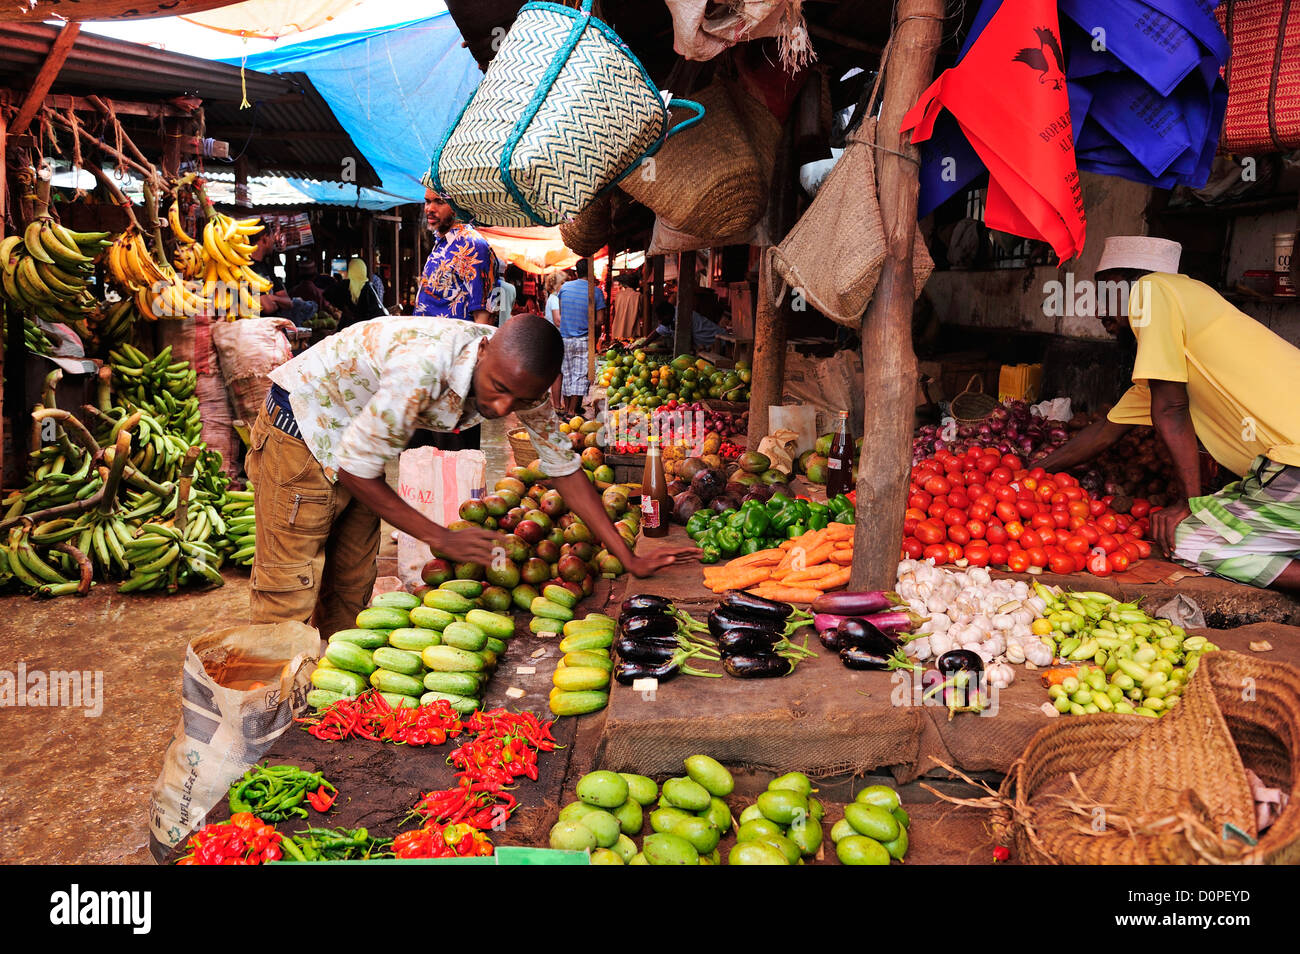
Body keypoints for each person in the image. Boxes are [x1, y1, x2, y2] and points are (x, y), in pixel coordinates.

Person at [248, 313, 697, 636]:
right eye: (498, 389)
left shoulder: (523, 385)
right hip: (302, 432)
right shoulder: (423, 368)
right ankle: (263, 730)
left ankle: (323, 698)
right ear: (483, 351)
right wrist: (439, 537)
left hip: (355, 439)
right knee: (288, 590)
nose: (503, 409)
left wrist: (627, 554)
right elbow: (356, 471)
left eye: (519, 400)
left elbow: (565, 469)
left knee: (350, 585)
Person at [1036, 235, 1300, 594]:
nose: (1100, 313)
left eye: (1104, 297)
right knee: (1208, 518)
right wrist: (1031, 474)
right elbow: (1106, 430)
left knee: (1186, 540)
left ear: (1122, 285)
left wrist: (1186, 504)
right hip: (1279, 470)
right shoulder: (1177, 330)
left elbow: (1172, 409)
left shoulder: (1152, 291)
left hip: (1292, 466)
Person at [411, 182, 498, 449]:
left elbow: (483, 312)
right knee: (425, 451)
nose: (429, 208)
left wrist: (471, 375)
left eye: (439, 202)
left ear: (459, 205)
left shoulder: (474, 245)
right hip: (428, 365)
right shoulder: (440, 244)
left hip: (456, 368)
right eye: (427, 202)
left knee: (456, 456)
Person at [556, 259, 606, 416]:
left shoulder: (564, 288)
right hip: (584, 338)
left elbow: (563, 313)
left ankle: (566, 408)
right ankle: (572, 411)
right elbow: (600, 321)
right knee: (580, 374)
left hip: (564, 338)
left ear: (576, 272)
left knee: (567, 373)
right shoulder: (596, 291)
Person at [646, 296, 726, 352]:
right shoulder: (670, 318)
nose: (660, 322)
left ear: (668, 315)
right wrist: (642, 345)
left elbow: (684, 340)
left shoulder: (682, 315)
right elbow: (657, 332)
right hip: (708, 346)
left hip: (720, 341)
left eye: (661, 319)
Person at [335, 258, 387, 331]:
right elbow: (376, 306)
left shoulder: (345, 286)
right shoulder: (369, 287)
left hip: (349, 328)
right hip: (366, 328)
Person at [609, 271, 642, 341]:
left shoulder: (618, 295)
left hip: (617, 331)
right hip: (632, 333)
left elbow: (614, 312)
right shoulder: (638, 296)